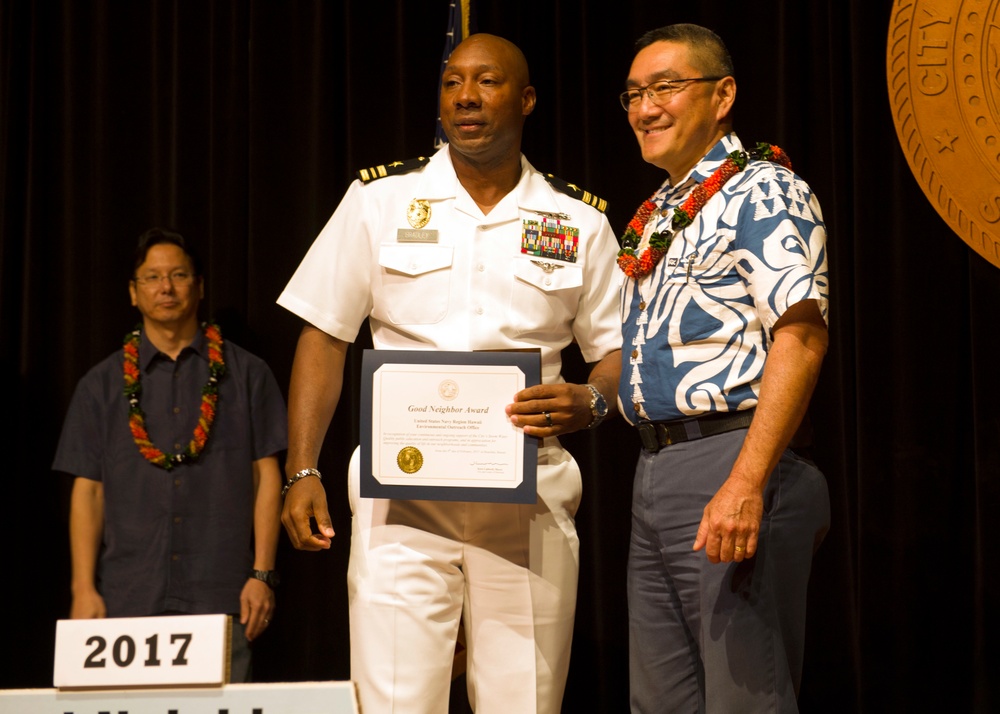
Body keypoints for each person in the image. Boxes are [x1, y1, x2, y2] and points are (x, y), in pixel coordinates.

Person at [277, 33, 621, 714]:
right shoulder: (379, 200)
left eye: (487, 82)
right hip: (400, 496)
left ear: (525, 99)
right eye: (452, 82)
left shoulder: (576, 219)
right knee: (395, 702)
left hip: (528, 493)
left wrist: (591, 401)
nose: (465, 96)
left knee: (524, 701)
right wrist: (303, 468)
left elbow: (615, 352)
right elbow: (324, 334)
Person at [617, 24, 831, 713]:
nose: (645, 108)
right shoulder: (659, 213)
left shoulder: (763, 191)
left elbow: (800, 336)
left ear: (723, 95)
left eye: (666, 87)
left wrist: (746, 481)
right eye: (633, 94)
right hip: (656, 473)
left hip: (731, 462)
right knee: (661, 702)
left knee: (745, 701)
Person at [53, 228, 287, 683]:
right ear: (133, 293)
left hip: (223, 593)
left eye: (179, 275)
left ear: (199, 286)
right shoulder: (99, 385)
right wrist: (83, 587)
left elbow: (268, 478)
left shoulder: (248, 374)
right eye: (152, 278)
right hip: (126, 596)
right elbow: (89, 491)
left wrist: (263, 574)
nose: (166, 287)